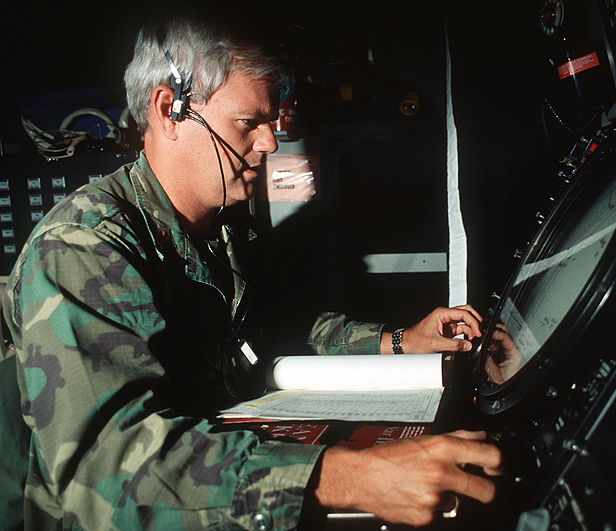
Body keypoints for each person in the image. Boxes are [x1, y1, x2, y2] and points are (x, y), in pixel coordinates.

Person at [1, 13, 502, 530]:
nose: (268, 143)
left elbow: (283, 325)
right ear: (170, 110)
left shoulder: (225, 228)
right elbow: (106, 467)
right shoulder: (82, 248)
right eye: (248, 123)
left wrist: (398, 342)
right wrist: (348, 478)